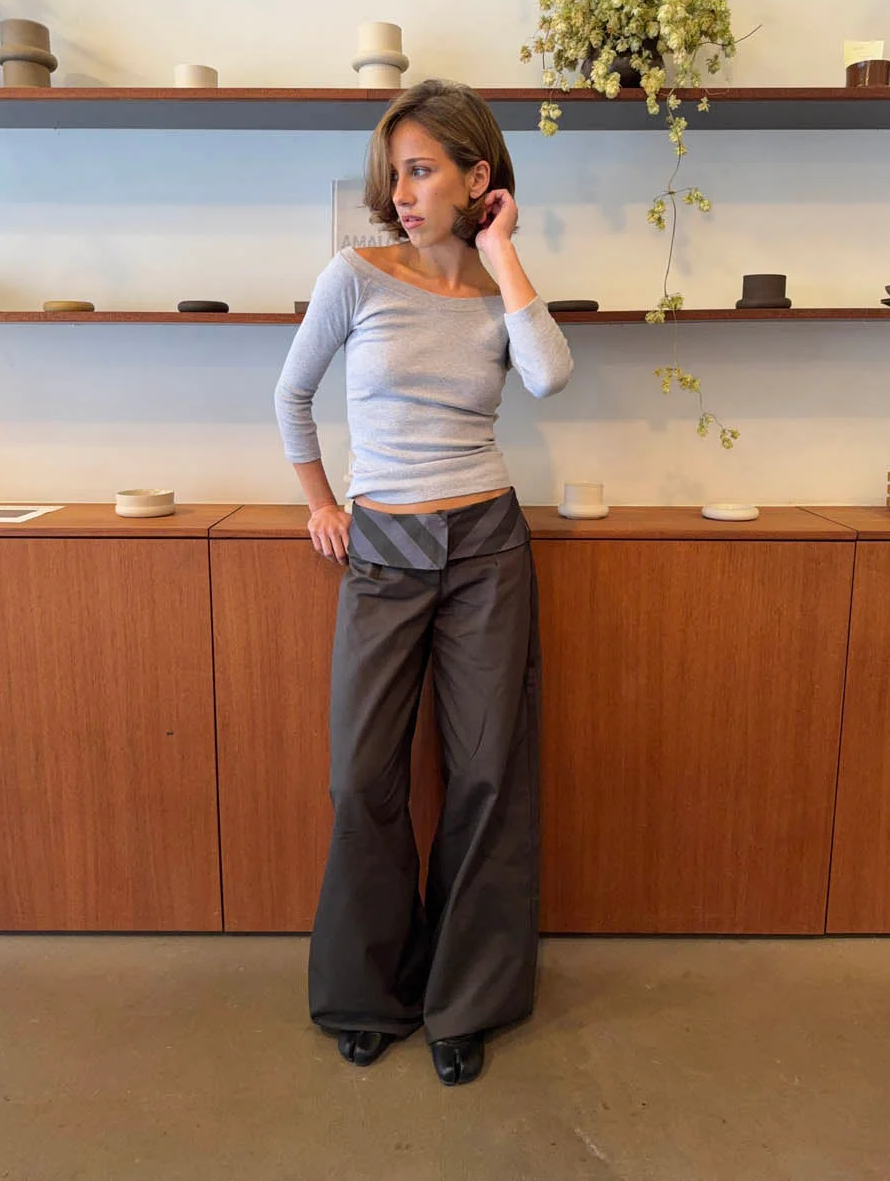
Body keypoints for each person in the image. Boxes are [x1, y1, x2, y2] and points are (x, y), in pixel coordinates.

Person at [274, 78, 573, 1086]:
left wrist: (502, 249)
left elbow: (551, 375)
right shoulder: (355, 276)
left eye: (421, 171)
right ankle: (369, 991)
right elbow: (291, 394)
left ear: (475, 176)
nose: (401, 194)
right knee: (362, 776)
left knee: (485, 775)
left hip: (487, 545)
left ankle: (465, 999)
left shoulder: (499, 289)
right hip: (383, 547)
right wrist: (322, 502)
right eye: (394, 174)